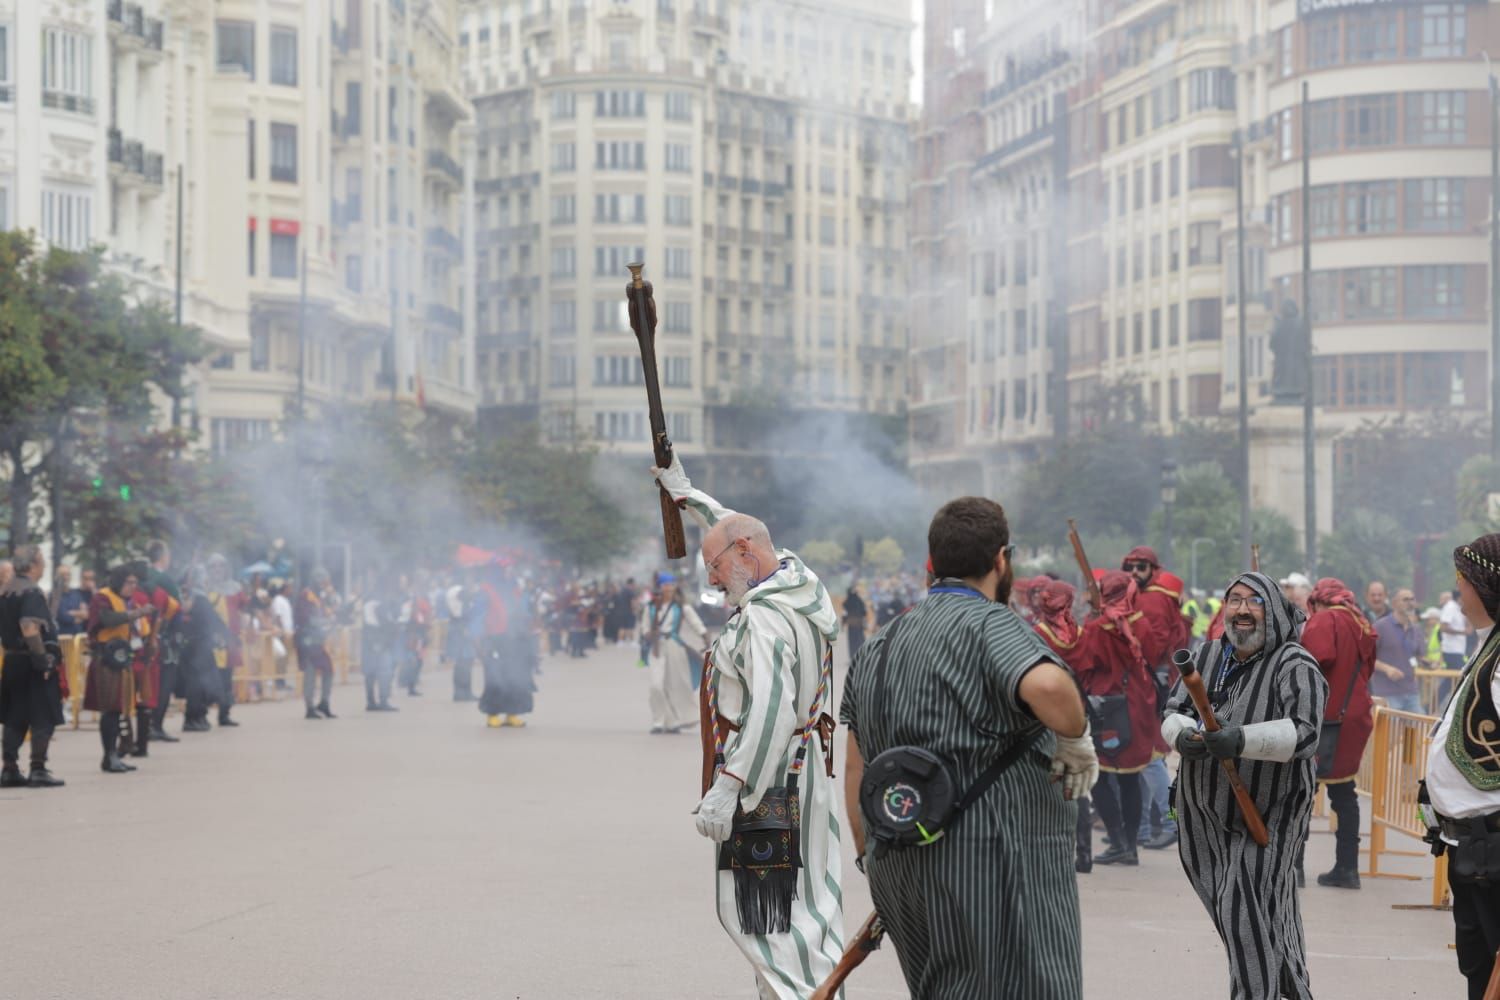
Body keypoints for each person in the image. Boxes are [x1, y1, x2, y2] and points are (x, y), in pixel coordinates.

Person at [841, 497, 1097, 998]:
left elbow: (855, 766)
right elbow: (1047, 686)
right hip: (990, 863)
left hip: (896, 856)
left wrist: (869, 854)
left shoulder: (880, 643)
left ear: (930, 564)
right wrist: (1074, 738)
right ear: (1002, 560)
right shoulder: (991, 624)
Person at [653, 454, 846, 1000]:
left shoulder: (762, 619)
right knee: (802, 913)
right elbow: (737, 528)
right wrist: (687, 496)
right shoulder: (799, 586)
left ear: (745, 556)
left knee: (774, 923)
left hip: (769, 787)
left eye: (714, 567)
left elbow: (771, 711)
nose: (712, 581)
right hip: (801, 779)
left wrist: (729, 786)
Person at [1162, 572, 1328, 1000]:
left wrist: (1241, 740)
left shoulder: (1295, 663)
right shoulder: (1207, 653)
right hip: (1204, 813)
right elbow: (1175, 709)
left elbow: (1306, 733)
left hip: (1269, 811)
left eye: (1253, 601)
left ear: (1271, 610)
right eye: (1234, 600)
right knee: (1257, 916)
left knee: (1243, 910)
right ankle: (1293, 992)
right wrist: (1182, 735)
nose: (1241, 610)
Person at [1424, 534, 1500, 1000]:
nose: (1458, 593)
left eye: (1462, 582)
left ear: (1484, 585)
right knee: (1478, 965)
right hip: (1471, 843)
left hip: (1492, 844)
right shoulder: (1488, 643)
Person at [1077, 570, 1164, 866]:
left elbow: (1086, 665)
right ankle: (1130, 846)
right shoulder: (1142, 624)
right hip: (1137, 706)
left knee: (1099, 775)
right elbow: (1152, 657)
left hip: (1106, 707)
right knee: (1130, 778)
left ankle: (1116, 841)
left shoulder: (1096, 627)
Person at [1299, 577, 1377, 890]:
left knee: (1301, 793)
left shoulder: (1325, 620)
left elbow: (1314, 660)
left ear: (1318, 601)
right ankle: (1347, 868)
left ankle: (1292, 869)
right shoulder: (1361, 622)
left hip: (1326, 715)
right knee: (1344, 794)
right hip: (1355, 713)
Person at [1122, 546, 1187, 852]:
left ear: (1153, 568)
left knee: (1151, 758)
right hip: (1150, 678)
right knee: (1147, 757)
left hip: (1152, 679)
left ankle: (1171, 821)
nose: (1134, 572)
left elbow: (1152, 645)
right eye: (1130, 566)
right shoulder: (1147, 595)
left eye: (1141, 566)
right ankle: (1145, 827)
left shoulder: (1154, 599)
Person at [1032, 579, 1096, 875]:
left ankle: (1052, 852)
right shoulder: (1082, 635)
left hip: (1044, 717)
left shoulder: (1036, 634)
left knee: (1044, 784)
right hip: (1076, 714)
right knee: (1078, 784)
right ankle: (1084, 854)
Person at [0, 546, 66, 787]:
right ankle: (38, 768)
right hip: (31, 661)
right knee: (43, 716)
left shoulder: (5, 591)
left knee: (14, 717)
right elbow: (29, 627)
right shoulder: (31, 591)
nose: (44, 565)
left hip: (13, 660)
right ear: (33, 564)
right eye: (42, 561)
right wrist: (43, 659)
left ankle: (9, 768)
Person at [85, 564, 153, 774]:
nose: (133, 586)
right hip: (106, 658)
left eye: (135, 582)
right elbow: (107, 619)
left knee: (118, 708)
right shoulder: (102, 597)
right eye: (129, 582)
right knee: (111, 710)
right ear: (119, 581)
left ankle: (114, 754)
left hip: (121, 658)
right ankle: (109, 755)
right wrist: (137, 613)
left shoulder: (126, 602)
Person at [640, 573, 705, 735]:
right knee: (656, 686)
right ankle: (658, 721)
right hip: (656, 648)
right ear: (660, 587)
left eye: (671, 585)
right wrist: (650, 634)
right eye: (665, 585)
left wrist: (705, 639)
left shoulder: (681, 606)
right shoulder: (650, 607)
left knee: (675, 685)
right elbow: (644, 629)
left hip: (675, 646)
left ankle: (673, 722)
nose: (668, 588)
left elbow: (697, 624)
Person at [478, 565, 538, 728]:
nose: (509, 573)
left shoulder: (516, 590)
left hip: (517, 638)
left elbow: (525, 611)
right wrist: (478, 638)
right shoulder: (486, 590)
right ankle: (493, 714)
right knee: (496, 678)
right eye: (506, 570)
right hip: (495, 639)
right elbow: (478, 615)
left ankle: (512, 714)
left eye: (511, 570)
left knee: (517, 677)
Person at [141, 539, 183, 746]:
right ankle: (155, 725)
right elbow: (177, 607)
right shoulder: (164, 579)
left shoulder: (142, 576)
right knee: (163, 684)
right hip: (163, 637)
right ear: (163, 557)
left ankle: (146, 726)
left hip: (143, 636)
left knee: (149, 684)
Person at [1372, 588, 1424, 714]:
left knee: (1419, 731)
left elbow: (1419, 657)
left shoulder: (1416, 629)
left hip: (1411, 691)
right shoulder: (1380, 626)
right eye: (1405, 599)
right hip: (1387, 692)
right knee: (1391, 733)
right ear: (1394, 603)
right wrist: (1387, 669)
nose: (1410, 603)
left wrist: (1430, 663)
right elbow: (1366, 658)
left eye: (1412, 599)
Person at [295, 569, 338, 720]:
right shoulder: (306, 595)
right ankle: (309, 707)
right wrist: (326, 621)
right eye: (322, 581)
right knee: (310, 674)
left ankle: (324, 703)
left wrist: (334, 617)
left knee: (329, 670)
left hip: (318, 641)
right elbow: (307, 619)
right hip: (307, 640)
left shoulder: (320, 597)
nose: (324, 584)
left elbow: (327, 613)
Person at [361, 578, 401, 712]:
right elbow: (387, 623)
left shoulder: (368, 600)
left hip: (368, 640)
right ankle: (383, 701)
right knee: (384, 671)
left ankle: (370, 701)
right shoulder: (380, 603)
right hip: (380, 641)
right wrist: (394, 629)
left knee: (370, 672)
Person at [54, 566, 94, 637]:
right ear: (57, 577)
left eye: (68, 574)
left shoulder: (76, 594)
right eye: (63, 575)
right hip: (63, 639)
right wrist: (79, 614)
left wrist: (71, 612)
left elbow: (86, 614)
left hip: (79, 638)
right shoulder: (54, 596)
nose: (66, 577)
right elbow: (63, 617)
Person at [1442, 588, 1474, 671]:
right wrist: (1462, 632)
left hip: (1459, 649)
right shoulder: (1450, 607)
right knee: (1457, 675)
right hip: (1451, 649)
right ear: (1460, 597)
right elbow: (1444, 627)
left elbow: (1468, 626)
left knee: (1454, 678)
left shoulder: (1459, 607)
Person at [842, 582, 868, 660]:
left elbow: (845, 614)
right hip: (859, 624)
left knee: (852, 641)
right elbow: (864, 612)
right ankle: (862, 656)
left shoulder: (846, 603)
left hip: (851, 625)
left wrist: (843, 624)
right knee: (860, 640)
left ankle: (853, 657)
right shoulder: (860, 601)